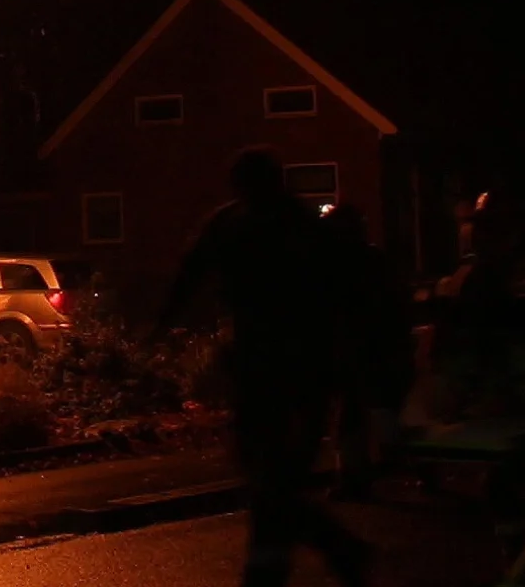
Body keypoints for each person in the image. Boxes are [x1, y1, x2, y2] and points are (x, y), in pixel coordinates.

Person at [155, 149, 371, 587]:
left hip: (274, 368)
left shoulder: (237, 225)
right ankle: (323, 552)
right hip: (297, 369)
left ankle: (282, 566)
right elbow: (345, 294)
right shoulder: (301, 227)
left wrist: (163, 324)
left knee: (270, 480)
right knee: (274, 480)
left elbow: (189, 274)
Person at [324, 203, 414, 500]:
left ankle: (361, 474)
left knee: (361, 411)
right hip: (373, 348)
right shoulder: (372, 260)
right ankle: (386, 468)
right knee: (373, 409)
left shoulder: (344, 265)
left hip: (365, 348)